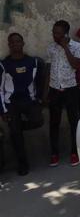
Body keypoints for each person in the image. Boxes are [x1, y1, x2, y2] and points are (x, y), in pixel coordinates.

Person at [0, 33, 45, 175]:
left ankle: (18, 126)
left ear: (23, 43)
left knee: (38, 121)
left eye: (18, 41)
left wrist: (39, 99)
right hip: (11, 103)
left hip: (29, 101)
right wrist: (3, 110)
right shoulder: (3, 65)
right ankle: (22, 164)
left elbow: (40, 81)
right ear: (9, 45)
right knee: (16, 135)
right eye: (12, 42)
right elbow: (0, 89)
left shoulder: (33, 62)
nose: (15, 44)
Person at [44, 20, 80, 167]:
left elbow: (76, 65)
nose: (55, 35)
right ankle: (54, 154)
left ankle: (74, 152)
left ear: (66, 34)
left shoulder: (77, 47)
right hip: (54, 89)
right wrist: (45, 92)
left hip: (70, 89)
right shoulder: (51, 48)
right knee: (54, 123)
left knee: (74, 122)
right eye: (53, 32)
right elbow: (48, 70)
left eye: (58, 33)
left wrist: (66, 47)